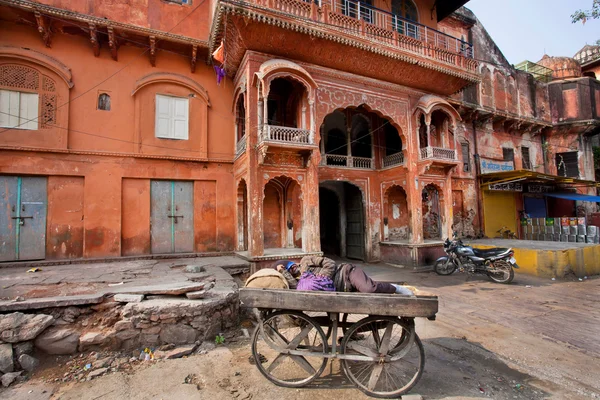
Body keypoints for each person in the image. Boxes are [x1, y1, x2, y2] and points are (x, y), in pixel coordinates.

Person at [273, 256, 413, 295]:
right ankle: (352, 335)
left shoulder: (306, 261)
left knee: (369, 289)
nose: (293, 269)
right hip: (343, 289)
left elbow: (330, 263)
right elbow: (294, 286)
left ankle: (396, 288)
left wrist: (321, 278)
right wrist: (282, 272)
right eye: (289, 270)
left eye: (291, 266)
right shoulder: (301, 283)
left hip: (347, 273)